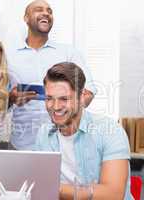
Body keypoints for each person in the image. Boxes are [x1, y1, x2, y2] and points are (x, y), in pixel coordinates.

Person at [7, 0, 97, 150]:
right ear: (26, 18)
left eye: (49, 11)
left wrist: (66, 106)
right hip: (21, 145)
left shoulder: (68, 53)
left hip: (64, 146)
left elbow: (88, 92)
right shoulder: (9, 57)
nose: (45, 13)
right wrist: (10, 99)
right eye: (38, 9)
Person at [35, 62, 133, 199]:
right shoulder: (43, 134)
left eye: (64, 99)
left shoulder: (110, 131)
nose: (55, 107)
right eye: (49, 98)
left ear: (82, 97)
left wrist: (55, 189)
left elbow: (113, 195)